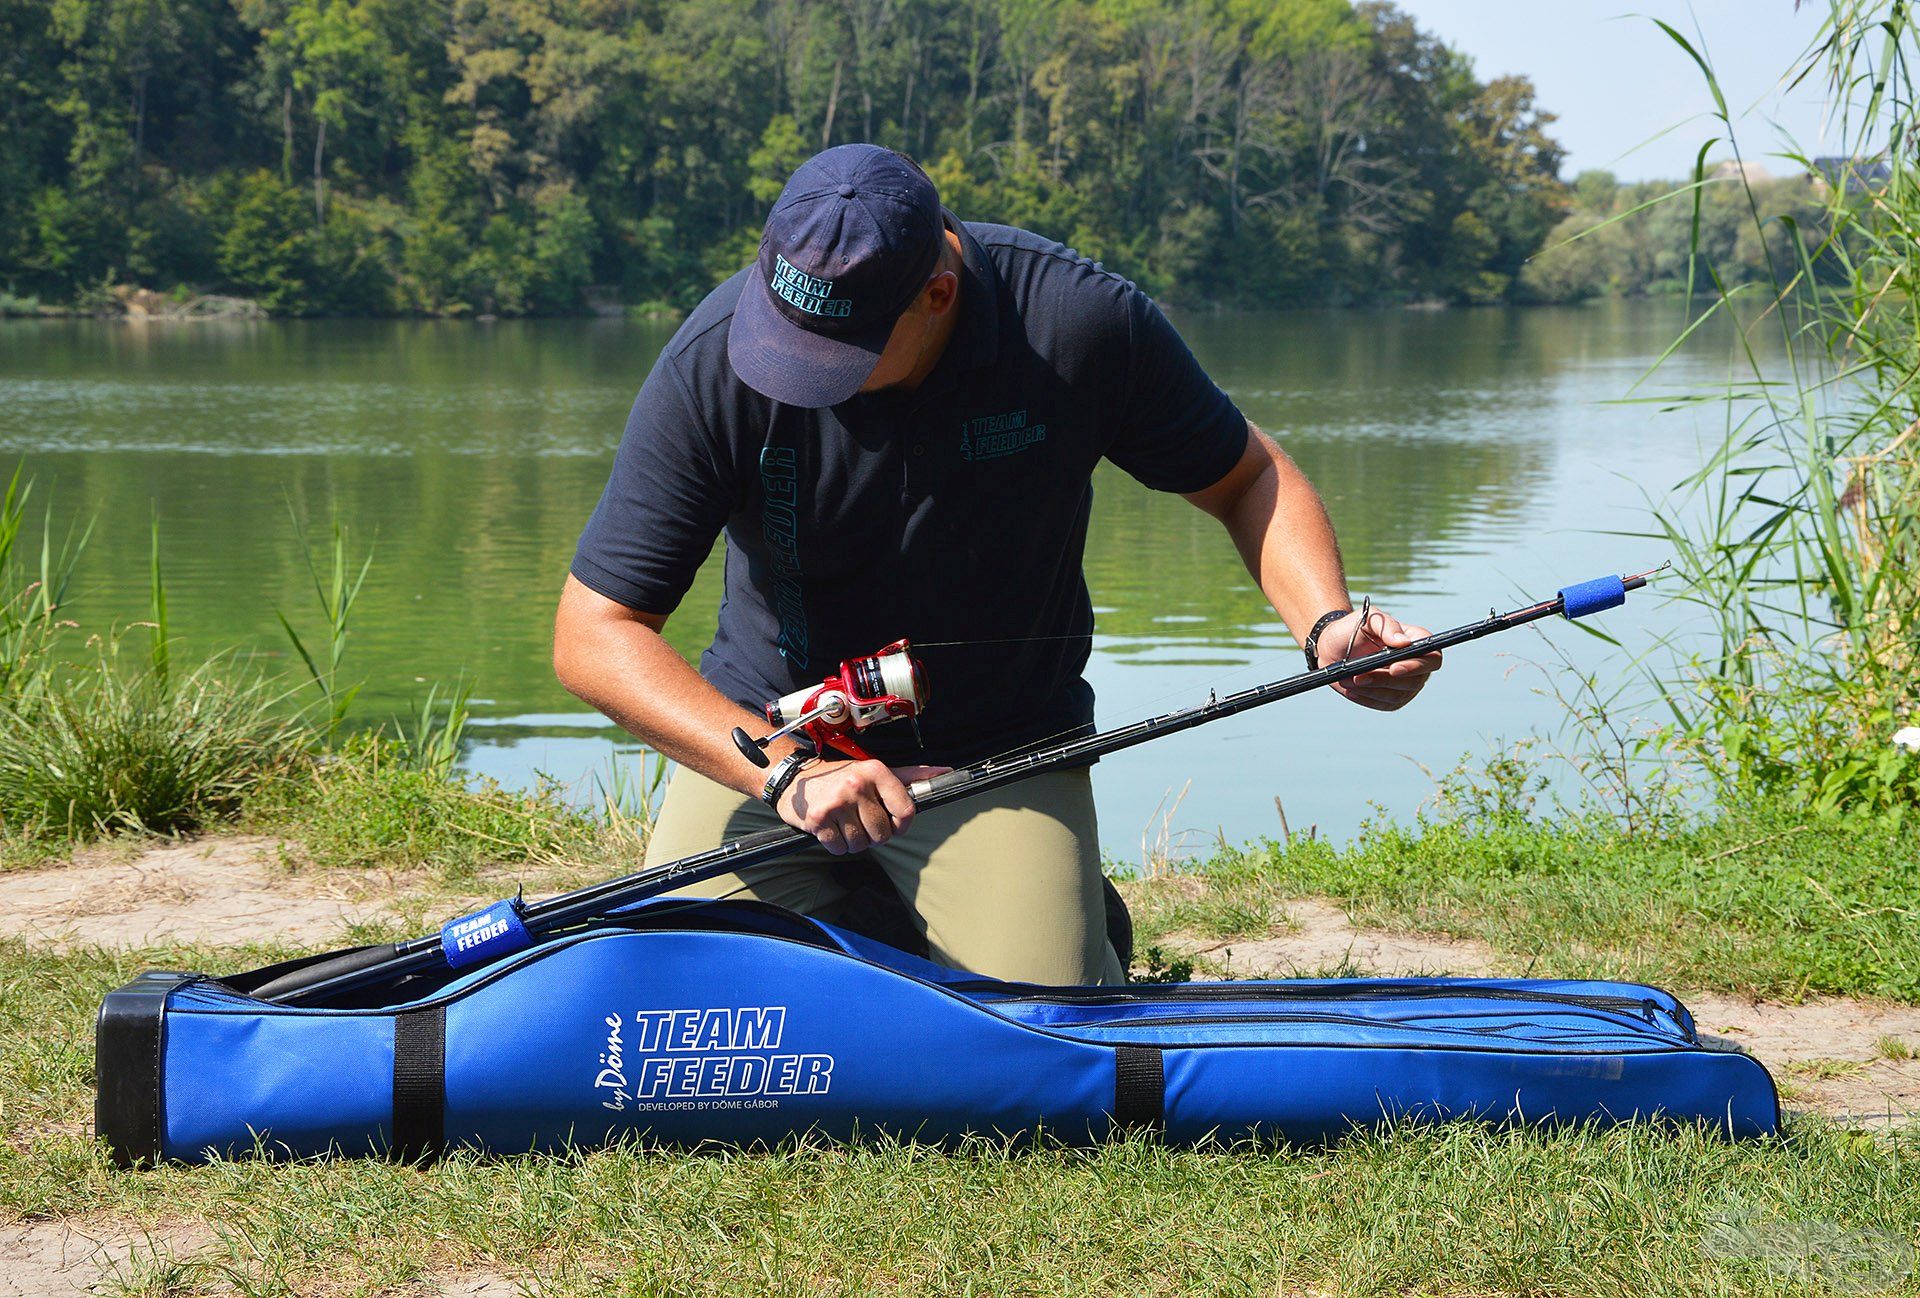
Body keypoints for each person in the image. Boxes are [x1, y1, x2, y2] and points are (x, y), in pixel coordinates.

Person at [553, 144, 1441, 986]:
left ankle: (1052, 908)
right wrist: (787, 773)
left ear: (938, 296)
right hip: (781, 744)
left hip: (996, 754)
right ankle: (879, 907)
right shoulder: (718, 358)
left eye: (841, 355)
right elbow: (595, 634)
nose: (796, 374)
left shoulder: (1079, 322)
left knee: (1042, 1023)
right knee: (673, 993)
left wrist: (1327, 625)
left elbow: (1247, 476)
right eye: (786, 336)